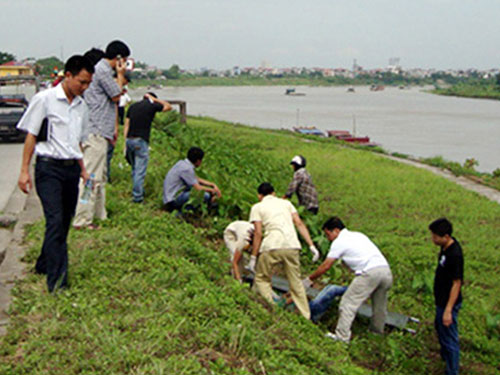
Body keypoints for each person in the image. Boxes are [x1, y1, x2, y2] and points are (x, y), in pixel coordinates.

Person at [16, 55, 93, 292]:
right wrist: (24, 171)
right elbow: (31, 135)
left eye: (88, 83)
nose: (85, 87)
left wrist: (83, 169)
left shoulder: (82, 106)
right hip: (48, 169)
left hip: (71, 169)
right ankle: (58, 282)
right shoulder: (45, 100)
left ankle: (43, 262)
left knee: (64, 221)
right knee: (55, 220)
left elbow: (77, 143)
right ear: (67, 76)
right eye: (81, 82)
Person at [303, 217, 393, 342]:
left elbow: (326, 266)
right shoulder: (358, 235)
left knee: (347, 303)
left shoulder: (339, 242)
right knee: (379, 306)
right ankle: (377, 334)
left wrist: (309, 279)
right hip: (385, 271)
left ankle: (342, 337)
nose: (328, 238)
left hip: (369, 272)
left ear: (336, 230)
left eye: (328, 234)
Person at [73, 40, 130, 229]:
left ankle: (99, 214)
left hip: (100, 132)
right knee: (90, 179)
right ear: (119, 58)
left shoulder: (101, 70)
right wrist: (120, 74)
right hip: (95, 132)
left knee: (100, 179)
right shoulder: (103, 71)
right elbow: (117, 95)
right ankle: (82, 220)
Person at [248, 182, 320, 320]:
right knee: (296, 283)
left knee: (262, 278)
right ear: (274, 193)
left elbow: (258, 233)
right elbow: (298, 223)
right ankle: (306, 316)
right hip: (292, 245)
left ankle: (272, 308)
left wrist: (253, 257)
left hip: (271, 245)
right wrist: (311, 246)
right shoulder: (286, 204)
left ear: (259, 196)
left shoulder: (257, 207)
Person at [429, 218, 463, 375]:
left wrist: (448, 310)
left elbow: (457, 283)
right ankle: (445, 360)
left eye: (435, 236)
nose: (433, 239)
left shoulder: (455, 255)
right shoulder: (445, 248)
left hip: (448, 303)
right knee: (441, 329)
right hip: (441, 301)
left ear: (446, 236)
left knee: (450, 338)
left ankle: (452, 371)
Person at [124, 92, 171, 202]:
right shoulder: (152, 106)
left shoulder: (133, 106)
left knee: (135, 168)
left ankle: (138, 190)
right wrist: (155, 100)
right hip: (141, 141)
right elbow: (168, 106)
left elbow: (127, 125)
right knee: (140, 170)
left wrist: (125, 142)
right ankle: (137, 197)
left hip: (129, 140)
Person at [163, 147, 221, 213]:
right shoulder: (187, 169)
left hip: (169, 196)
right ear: (198, 161)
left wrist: (212, 184)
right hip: (172, 199)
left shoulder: (182, 163)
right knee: (205, 196)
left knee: (195, 190)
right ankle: (182, 213)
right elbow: (198, 188)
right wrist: (213, 191)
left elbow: (195, 179)